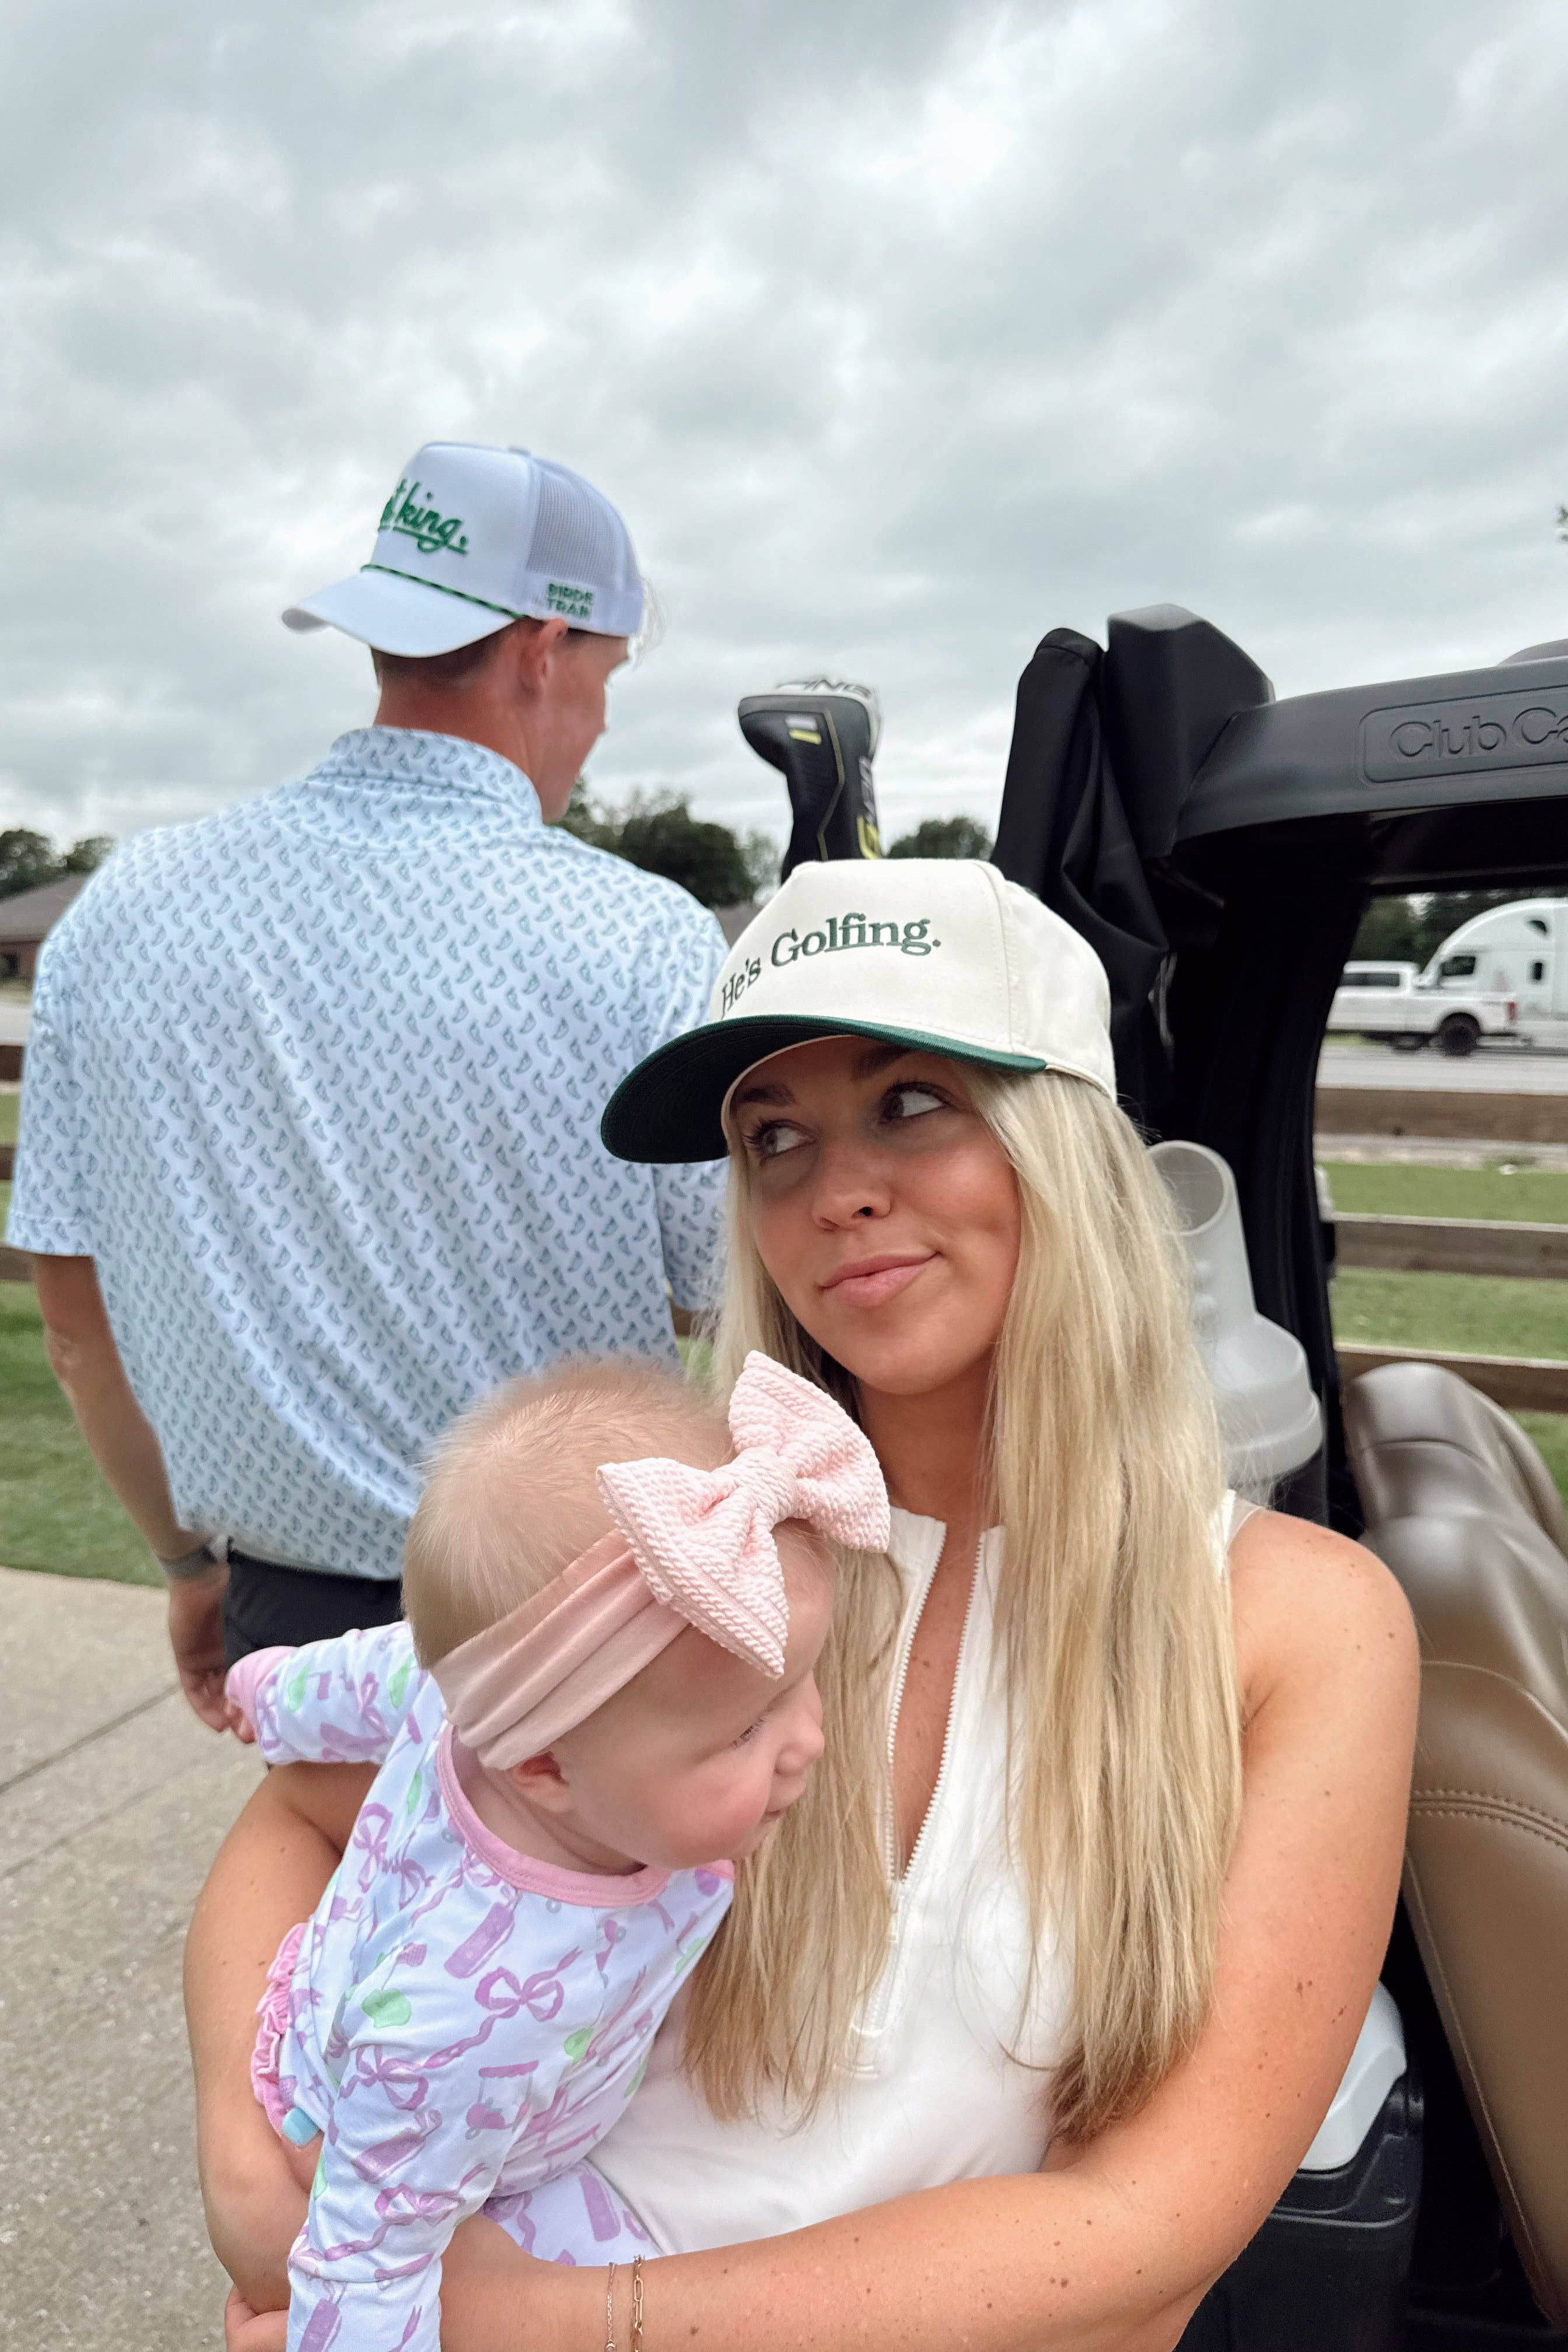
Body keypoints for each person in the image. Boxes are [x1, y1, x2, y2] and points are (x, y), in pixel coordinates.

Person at [189, 858, 1419, 2352]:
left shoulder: (1298, 1623)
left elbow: (1148, 2228)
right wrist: (255, 2175)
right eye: (775, 1138)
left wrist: (534, 2323)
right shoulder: (674, 1552)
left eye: (914, 1103)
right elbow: (303, 1818)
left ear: (1071, 1144)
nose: (836, 1191)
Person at [6, 440, 727, 1721]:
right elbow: (735, 1292)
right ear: (543, 648)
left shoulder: (123, 915)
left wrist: (183, 1564)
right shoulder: (641, 936)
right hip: (586, 1625)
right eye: (608, 675)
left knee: (333, 1902)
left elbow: (74, 1317)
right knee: (603, 1923)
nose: (602, 719)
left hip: (287, 1618)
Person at [220, 1352, 879, 2351]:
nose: (809, 1744)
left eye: (800, 1685)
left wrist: (265, 1691)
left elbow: (372, 1669)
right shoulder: (457, 2030)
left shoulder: (479, 1690)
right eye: (744, 1732)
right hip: (423, 2148)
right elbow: (366, 2263)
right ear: (542, 1768)